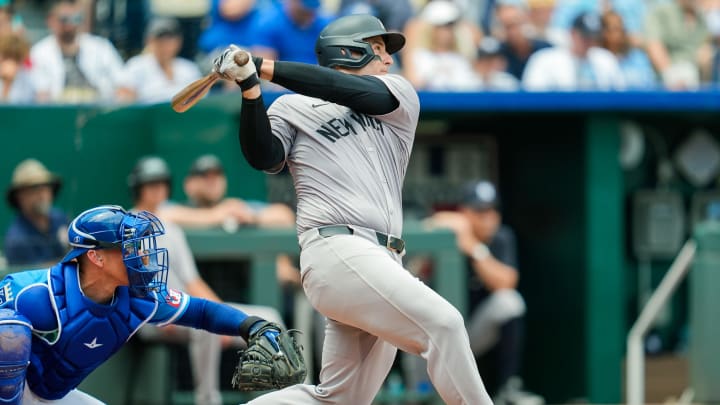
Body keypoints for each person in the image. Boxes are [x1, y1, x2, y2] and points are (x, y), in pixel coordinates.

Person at [211, 13, 493, 404]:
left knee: (339, 400)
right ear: (351, 48)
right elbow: (264, 155)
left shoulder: (397, 93)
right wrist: (249, 86)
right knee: (444, 325)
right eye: (379, 48)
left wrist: (263, 66)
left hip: (383, 258)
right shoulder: (291, 107)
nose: (389, 59)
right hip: (337, 247)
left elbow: (345, 89)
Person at [0, 204, 288, 404]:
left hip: (51, 396)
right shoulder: (35, 291)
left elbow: (200, 311)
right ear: (95, 257)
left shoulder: (139, 298)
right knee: (9, 329)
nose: (143, 256)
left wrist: (251, 325)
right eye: (129, 248)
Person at [128, 155, 285, 405]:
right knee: (206, 328)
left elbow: (194, 283)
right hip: (151, 316)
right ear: (139, 187)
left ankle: (280, 398)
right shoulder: (128, 225)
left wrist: (223, 315)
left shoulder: (172, 227)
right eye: (150, 184)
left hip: (183, 311)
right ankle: (208, 401)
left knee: (268, 319)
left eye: (161, 184)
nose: (157, 189)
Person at [425, 180, 544, 405]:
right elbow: (424, 231)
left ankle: (507, 387)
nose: (488, 217)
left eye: (492, 210)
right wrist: (441, 224)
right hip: (436, 336)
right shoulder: (448, 232)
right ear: (464, 213)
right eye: (480, 211)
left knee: (510, 302)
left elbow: (506, 282)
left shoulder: (500, 238)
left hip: (470, 332)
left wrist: (473, 247)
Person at [30, 0, 124, 103]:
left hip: (99, 111)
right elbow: (40, 95)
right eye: (64, 19)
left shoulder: (101, 48)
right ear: (50, 20)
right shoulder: (38, 53)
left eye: (76, 19)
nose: (70, 25)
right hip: (59, 114)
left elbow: (123, 84)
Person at [522, 12, 625, 90]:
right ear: (572, 33)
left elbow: (621, 94)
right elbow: (531, 95)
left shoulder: (605, 59)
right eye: (585, 37)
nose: (589, 42)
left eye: (593, 37)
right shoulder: (545, 59)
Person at [116, 17, 202, 104]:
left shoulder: (189, 69)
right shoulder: (136, 66)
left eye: (169, 39)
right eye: (160, 39)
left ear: (179, 41)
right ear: (149, 40)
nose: (165, 44)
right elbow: (124, 100)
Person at [402, 0, 482, 91]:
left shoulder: (461, 60)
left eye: (449, 26)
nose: (446, 31)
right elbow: (415, 84)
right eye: (441, 26)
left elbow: (472, 86)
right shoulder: (420, 57)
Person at [4, 159, 68, 267]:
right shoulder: (16, 239)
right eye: (34, 189)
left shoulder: (60, 217)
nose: (42, 194)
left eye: (46, 187)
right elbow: (34, 277)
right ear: (20, 197)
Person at [644, 0, 712, 90]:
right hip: (667, 83)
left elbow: (705, 51)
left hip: (696, 83)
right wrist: (671, 76)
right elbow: (654, 46)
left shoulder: (702, 18)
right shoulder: (660, 11)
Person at [249, 0, 335, 64]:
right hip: (282, 82)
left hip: (318, 81)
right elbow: (264, 70)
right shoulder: (267, 23)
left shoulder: (327, 25)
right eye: (304, 11)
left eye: (312, 9)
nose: (309, 15)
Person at [599, 10, 656, 89]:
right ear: (604, 33)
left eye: (622, 28)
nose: (621, 33)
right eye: (615, 29)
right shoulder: (596, 62)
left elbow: (649, 87)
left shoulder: (638, 59)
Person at [0, 32, 35, 104]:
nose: (10, 62)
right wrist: (6, 83)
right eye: (6, 57)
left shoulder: (28, 79)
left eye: (16, 58)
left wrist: (8, 82)